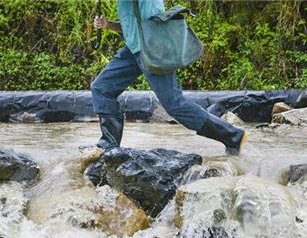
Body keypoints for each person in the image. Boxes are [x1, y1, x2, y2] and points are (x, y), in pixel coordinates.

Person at [90, 0, 247, 155]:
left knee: (174, 104)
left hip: (154, 49)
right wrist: (108, 25)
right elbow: (133, 25)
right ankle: (109, 145)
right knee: (102, 88)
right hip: (134, 49)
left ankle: (233, 136)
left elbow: (149, 24)